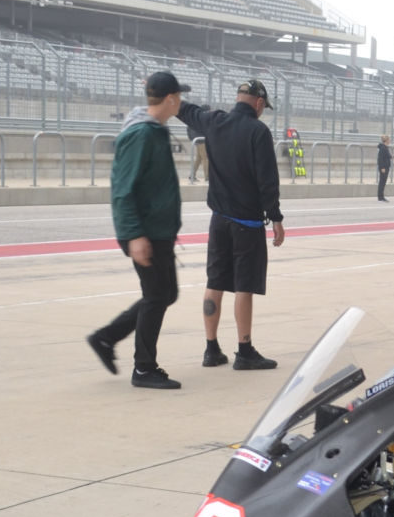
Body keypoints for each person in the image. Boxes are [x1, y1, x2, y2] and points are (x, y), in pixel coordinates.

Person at [87, 71, 186, 391]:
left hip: (158, 229)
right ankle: (143, 368)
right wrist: (134, 235)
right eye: (178, 96)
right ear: (170, 99)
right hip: (145, 232)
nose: (181, 102)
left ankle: (106, 338)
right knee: (158, 295)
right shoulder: (141, 134)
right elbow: (122, 190)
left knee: (165, 294)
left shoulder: (154, 131)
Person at [178, 79, 284, 371]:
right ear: (259, 103)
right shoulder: (258, 132)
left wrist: (166, 91)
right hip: (247, 224)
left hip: (218, 221)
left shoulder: (214, 121)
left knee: (215, 282)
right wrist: (276, 217)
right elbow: (267, 181)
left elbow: (185, 111)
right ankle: (245, 350)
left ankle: (211, 349)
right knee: (243, 288)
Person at [376, 133, 393, 202]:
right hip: (384, 168)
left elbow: (386, 156)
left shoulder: (385, 147)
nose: (390, 141)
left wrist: (391, 156)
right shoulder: (383, 148)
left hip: (386, 167)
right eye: (389, 139)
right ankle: (381, 197)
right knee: (382, 182)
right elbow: (380, 159)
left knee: (383, 182)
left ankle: (381, 196)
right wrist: (382, 167)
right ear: (387, 140)